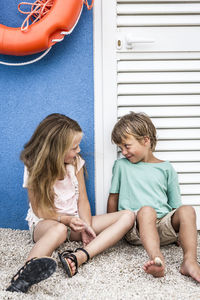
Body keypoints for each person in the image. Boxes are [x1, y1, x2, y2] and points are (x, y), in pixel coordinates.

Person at [6, 113, 134, 293]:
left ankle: (81, 256)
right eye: (74, 147)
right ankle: (24, 275)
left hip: (74, 223)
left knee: (128, 216)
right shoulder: (34, 167)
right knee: (58, 230)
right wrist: (64, 220)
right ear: (57, 149)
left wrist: (86, 227)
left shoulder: (76, 163)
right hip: (46, 223)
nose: (79, 150)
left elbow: (83, 201)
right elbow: (39, 210)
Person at [107, 111, 200, 282]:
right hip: (135, 227)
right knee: (147, 211)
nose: (124, 152)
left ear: (146, 141)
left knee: (187, 209)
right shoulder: (121, 166)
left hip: (163, 225)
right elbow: (114, 197)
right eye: (120, 148)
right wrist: (111, 230)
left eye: (127, 146)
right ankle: (157, 260)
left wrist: (181, 235)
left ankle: (190, 261)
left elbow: (175, 207)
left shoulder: (166, 168)